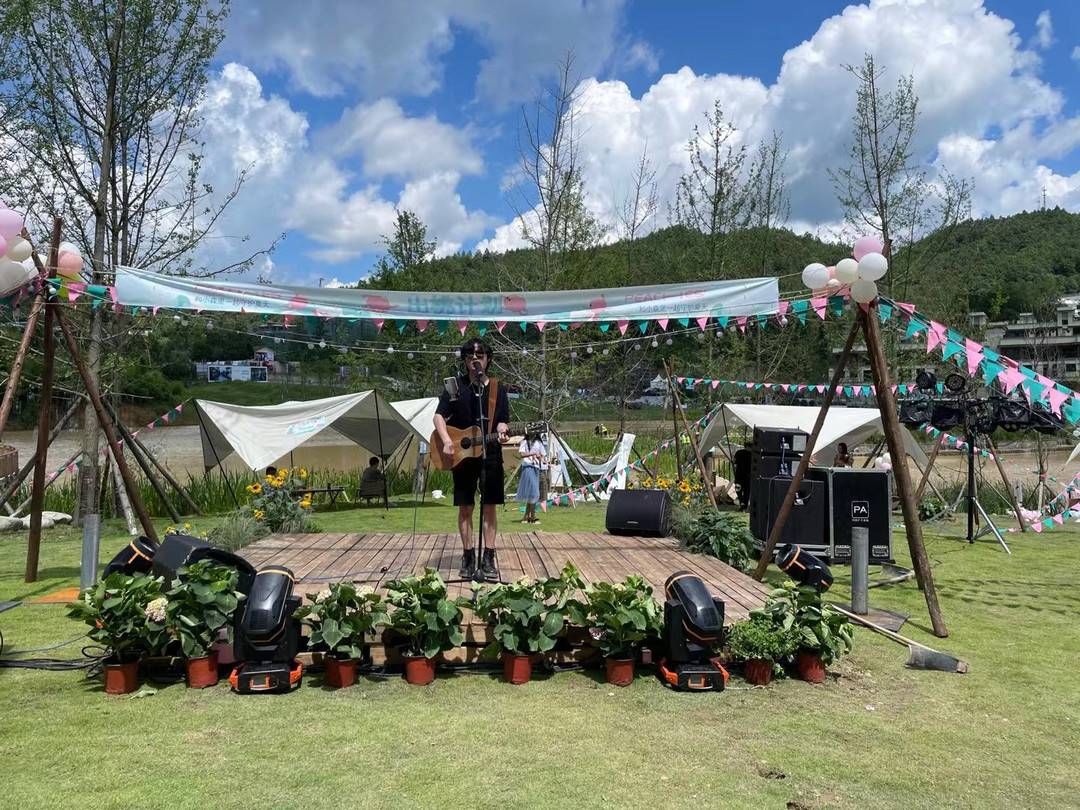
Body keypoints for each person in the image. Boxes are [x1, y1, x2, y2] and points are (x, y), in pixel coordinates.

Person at [433, 338, 510, 581]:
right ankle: (468, 555)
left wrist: (503, 429)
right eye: (470, 356)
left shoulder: (498, 388)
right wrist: (446, 440)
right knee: (466, 506)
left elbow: (503, 420)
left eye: (480, 355)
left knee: (490, 506)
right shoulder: (455, 387)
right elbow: (438, 417)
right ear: (465, 360)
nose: (475, 359)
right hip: (462, 455)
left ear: (488, 359)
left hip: (491, 453)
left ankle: (488, 556)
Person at [516, 424, 546, 524]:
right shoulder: (524, 442)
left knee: (531, 494)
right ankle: (533, 517)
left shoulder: (539, 443)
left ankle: (526, 517)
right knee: (534, 492)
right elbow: (521, 454)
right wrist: (532, 454)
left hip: (536, 468)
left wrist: (543, 460)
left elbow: (542, 456)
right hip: (527, 467)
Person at [733, 442, 752, 510]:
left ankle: (741, 502)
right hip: (748, 475)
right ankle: (745, 504)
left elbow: (734, 461)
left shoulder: (739, 452)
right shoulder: (753, 454)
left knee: (738, 489)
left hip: (739, 475)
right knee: (747, 491)